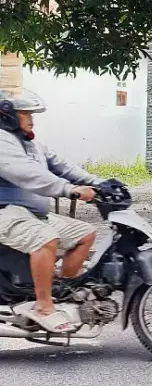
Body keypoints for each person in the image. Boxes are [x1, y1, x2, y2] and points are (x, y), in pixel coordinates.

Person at [0, 89, 102, 333]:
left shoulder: (30, 143)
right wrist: (69, 190)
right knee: (46, 238)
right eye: (25, 113)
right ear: (7, 116)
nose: (31, 119)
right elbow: (27, 174)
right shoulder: (2, 141)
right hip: (6, 212)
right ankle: (44, 306)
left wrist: (99, 183)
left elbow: (61, 165)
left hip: (31, 213)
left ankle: (62, 292)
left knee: (85, 234)